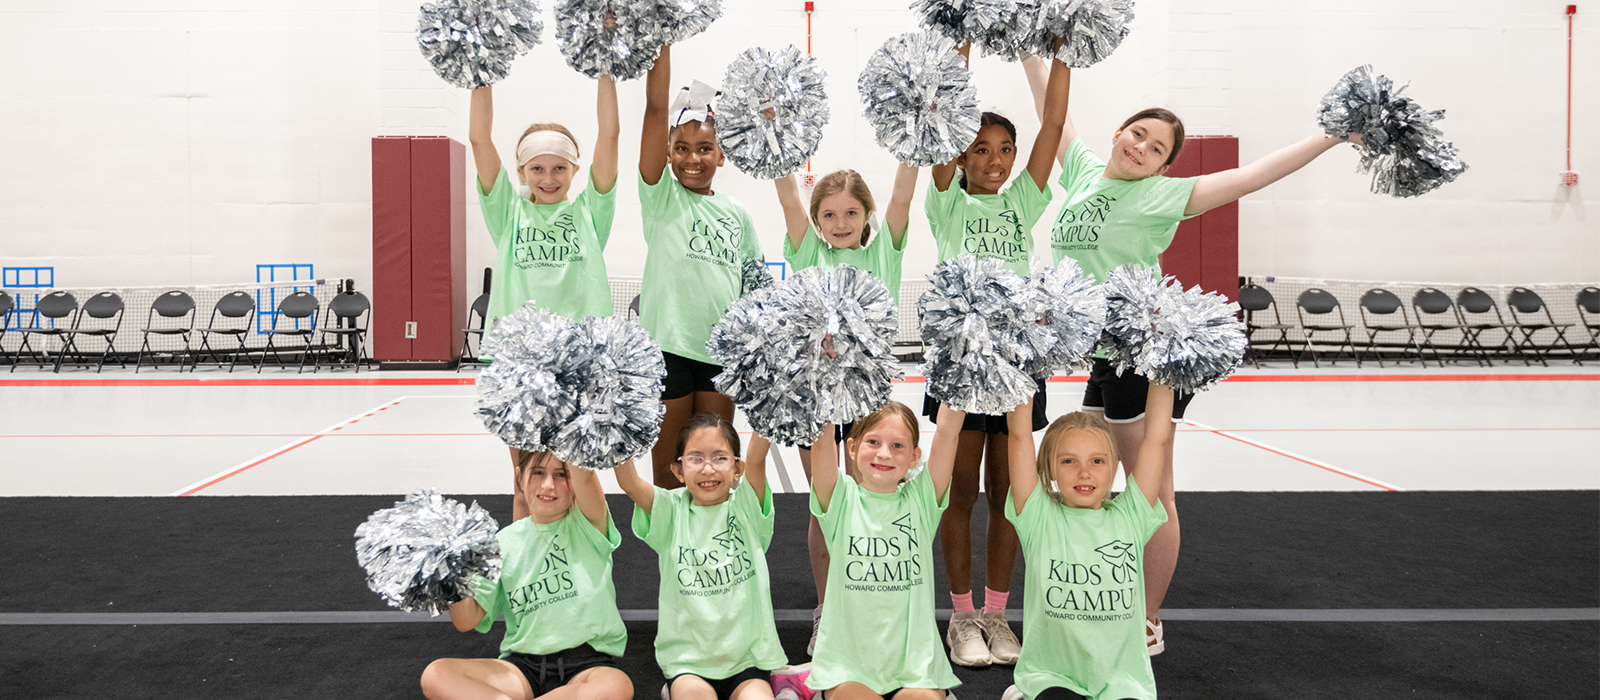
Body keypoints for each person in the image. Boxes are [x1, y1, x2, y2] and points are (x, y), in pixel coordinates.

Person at [1023, 56, 1364, 655]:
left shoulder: (1164, 195)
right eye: (1138, 134)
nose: (1141, 148)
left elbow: (1254, 175)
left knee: (1151, 492)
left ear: (1164, 165)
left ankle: (1148, 621)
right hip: (1105, 355)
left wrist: (1332, 136)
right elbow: (1052, 109)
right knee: (1105, 486)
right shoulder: (1079, 171)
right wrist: (1032, 44)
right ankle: (1119, 599)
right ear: (1119, 132)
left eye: (1156, 148)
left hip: (1142, 351)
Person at [921, 41, 1072, 668]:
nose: (994, 160)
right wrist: (956, 45)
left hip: (1016, 356)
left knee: (1009, 489)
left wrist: (1065, 51)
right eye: (980, 149)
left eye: (1004, 150)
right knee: (959, 489)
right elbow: (934, 119)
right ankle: (960, 618)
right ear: (959, 154)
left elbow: (1055, 124)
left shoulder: (1022, 200)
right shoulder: (947, 200)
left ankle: (997, 612)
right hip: (961, 352)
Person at [771, 164, 919, 653]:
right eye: (830, 214)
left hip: (868, 395)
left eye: (851, 212)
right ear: (816, 220)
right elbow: (789, 194)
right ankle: (826, 607)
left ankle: (867, 604)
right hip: (812, 393)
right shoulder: (807, 251)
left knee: (870, 500)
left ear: (867, 214)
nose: (840, 222)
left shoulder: (884, 252)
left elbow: (902, 191)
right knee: (825, 502)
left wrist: (914, 127)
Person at [468, 76, 620, 523]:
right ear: (521, 173)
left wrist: (605, 68)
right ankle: (525, 581)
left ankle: (585, 578)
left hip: (580, 362)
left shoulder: (590, 212)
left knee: (581, 477)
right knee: (527, 481)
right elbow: (479, 138)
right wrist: (480, 72)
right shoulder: (508, 211)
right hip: (520, 365)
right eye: (537, 168)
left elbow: (609, 135)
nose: (548, 178)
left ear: (576, 170)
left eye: (559, 168)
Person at [639, 43, 764, 489]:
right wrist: (661, 40)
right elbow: (656, 111)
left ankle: (709, 554)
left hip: (719, 356)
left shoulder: (737, 213)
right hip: (667, 349)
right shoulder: (660, 197)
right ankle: (670, 558)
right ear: (668, 153)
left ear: (722, 154)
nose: (693, 158)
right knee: (670, 474)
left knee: (712, 471)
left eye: (705, 148)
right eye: (682, 148)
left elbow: (755, 286)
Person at [998, 386, 1175, 700]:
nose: (1084, 472)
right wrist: (1020, 357)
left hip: (1123, 683)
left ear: (1115, 467)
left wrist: (1165, 363)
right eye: (1068, 461)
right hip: (1052, 679)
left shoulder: (1132, 516)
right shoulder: (1038, 516)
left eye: (1097, 461)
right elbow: (1019, 435)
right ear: (1050, 468)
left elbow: (1155, 438)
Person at [419, 450, 634, 700]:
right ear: (520, 478)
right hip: (522, 668)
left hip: (588, 664)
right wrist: (448, 570)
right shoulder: (499, 544)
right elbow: (466, 620)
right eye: (538, 473)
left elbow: (585, 477)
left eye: (561, 475)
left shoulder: (588, 523)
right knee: (436, 674)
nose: (548, 485)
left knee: (616, 685)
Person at [613, 415, 785, 700]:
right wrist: (613, 419)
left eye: (720, 458)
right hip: (689, 663)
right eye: (695, 459)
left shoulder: (747, 507)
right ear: (678, 470)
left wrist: (773, 399)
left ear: (737, 468)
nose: (708, 469)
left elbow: (757, 458)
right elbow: (629, 482)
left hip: (747, 661)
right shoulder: (670, 510)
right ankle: (674, 688)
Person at [805, 402, 961, 700]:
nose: (884, 453)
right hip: (849, 668)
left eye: (898, 445)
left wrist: (965, 366)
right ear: (851, 447)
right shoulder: (840, 500)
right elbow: (822, 440)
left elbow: (947, 433)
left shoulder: (922, 500)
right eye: (873, 442)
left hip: (916, 668)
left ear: (915, 456)